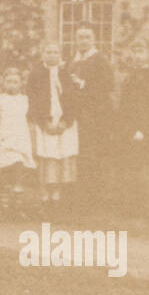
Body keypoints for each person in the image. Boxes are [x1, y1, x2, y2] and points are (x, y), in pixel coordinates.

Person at [117, 39, 149, 215]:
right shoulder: (129, 78)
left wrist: (142, 130)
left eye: (141, 51)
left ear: (148, 55)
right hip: (129, 129)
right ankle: (133, 206)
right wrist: (127, 128)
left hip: (147, 130)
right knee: (132, 167)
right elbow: (125, 106)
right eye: (134, 51)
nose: (137, 55)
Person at [67, 27, 115, 210]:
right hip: (78, 115)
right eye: (80, 37)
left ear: (94, 40)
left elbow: (108, 85)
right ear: (75, 40)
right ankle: (80, 197)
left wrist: (83, 84)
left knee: (94, 156)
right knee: (80, 155)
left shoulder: (100, 60)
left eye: (87, 37)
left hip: (96, 116)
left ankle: (95, 199)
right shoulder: (74, 61)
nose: (83, 41)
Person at [27, 41, 78, 213]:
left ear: (60, 55)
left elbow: (72, 99)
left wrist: (66, 121)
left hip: (63, 123)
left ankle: (57, 199)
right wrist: (44, 121)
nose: (52, 55)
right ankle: (44, 199)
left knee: (61, 159)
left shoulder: (65, 73)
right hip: (45, 124)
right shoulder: (36, 74)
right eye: (48, 52)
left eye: (55, 52)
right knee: (47, 159)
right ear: (43, 54)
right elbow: (33, 100)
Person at [0, 68, 36, 216]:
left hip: (20, 138)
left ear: (21, 84)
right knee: (4, 171)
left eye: (15, 82)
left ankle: (18, 207)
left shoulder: (25, 99)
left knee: (19, 168)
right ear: (3, 83)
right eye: (9, 81)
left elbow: (30, 120)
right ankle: (5, 206)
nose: (12, 85)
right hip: (4, 137)